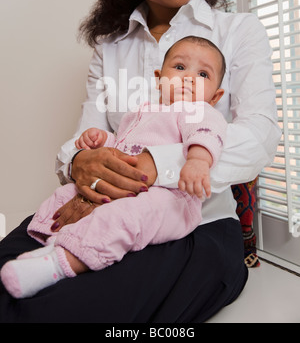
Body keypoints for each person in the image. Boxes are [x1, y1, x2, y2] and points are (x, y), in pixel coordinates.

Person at [0, 0, 281, 323]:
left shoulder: (238, 31)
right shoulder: (109, 49)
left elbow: (259, 137)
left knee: (61, 310)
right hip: (99, 208)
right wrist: (80, 161)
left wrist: (157, 165)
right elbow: (83, 137)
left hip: (194, 227)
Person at [0, 36, 227, 299]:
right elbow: (123, 146)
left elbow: (208, 134)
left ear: (215, 96)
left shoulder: (199, 111)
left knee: (123, 218)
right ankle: (50, 242)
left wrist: (198, 160)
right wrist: (101, 141)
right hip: (125, 188)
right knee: (67, 195)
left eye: (202, 74)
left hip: (170, 199)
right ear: (159, 78)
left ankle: (59, 265)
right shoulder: (141, 111)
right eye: (179, 67)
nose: (189, 77)